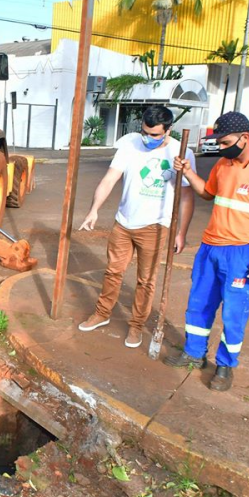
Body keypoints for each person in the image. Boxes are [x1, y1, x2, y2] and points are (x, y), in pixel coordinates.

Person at [163, 112, 249, 391]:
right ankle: (194, 353)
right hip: (210, 248)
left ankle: (225, 366)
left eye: (226, 143)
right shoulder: (223, 164)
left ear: (245, 138)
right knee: (200, 303)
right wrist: (187, 172)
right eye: (219, 143)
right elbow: (208, 193)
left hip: (242, 254)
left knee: (234, 312)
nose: (221, 148)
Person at [77, 105, 195, 348]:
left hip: (155, 226)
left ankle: (136, 326)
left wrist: (181, 232)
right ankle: (102, 313)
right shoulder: (129, 145)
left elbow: (186, 196)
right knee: (113, 272)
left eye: (155, 135)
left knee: (146, 281)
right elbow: (109, 179)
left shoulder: (180, 153)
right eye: (145, 132)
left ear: (168, 130)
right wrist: (94, 209)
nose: (148, 138)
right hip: (124, 222)